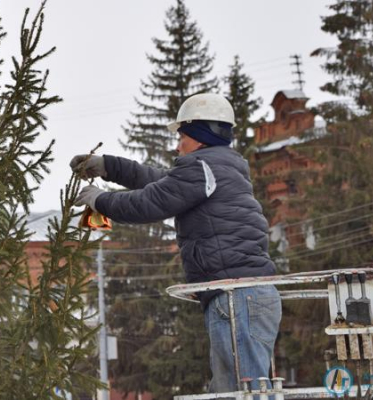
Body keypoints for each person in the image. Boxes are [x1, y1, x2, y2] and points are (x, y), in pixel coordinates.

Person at [70, 93, 282, 394]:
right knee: (236, 388)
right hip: (243, 295)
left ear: (199, 137)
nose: (177, 144)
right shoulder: (219, 168)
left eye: (181, 136)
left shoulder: (201, 169)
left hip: (238, 297)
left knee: (242, 391)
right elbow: (158, 181)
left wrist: (99, 199)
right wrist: (108, 166)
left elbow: (150, 202)